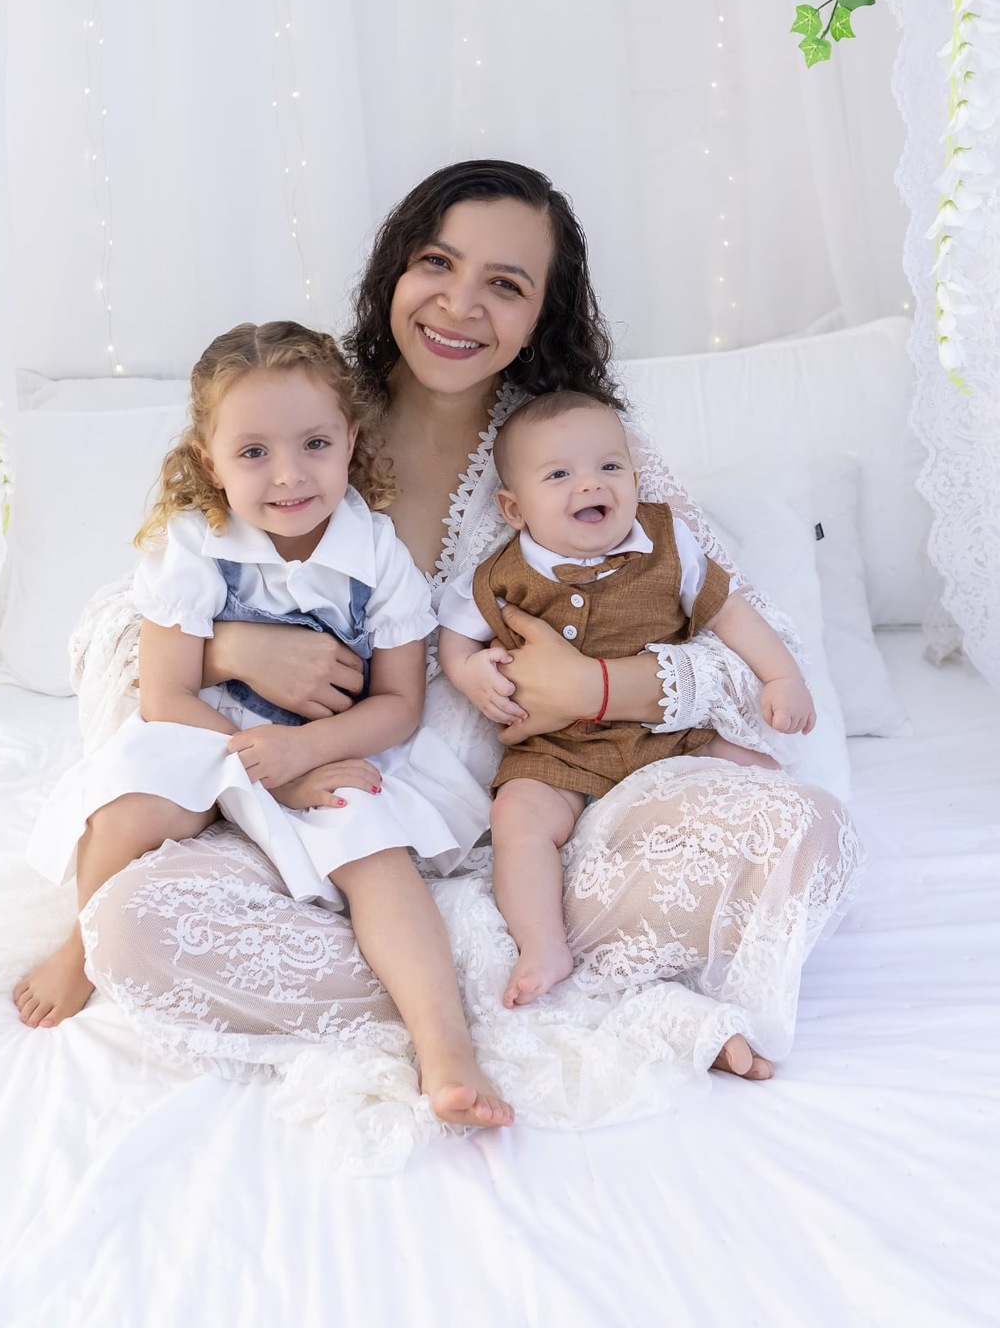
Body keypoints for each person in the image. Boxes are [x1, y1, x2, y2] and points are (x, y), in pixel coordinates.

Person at [76, 160, 861, 1106]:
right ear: (393, 273)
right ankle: (513, 1000)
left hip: (549, 822)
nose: (459, 305)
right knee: (130, 925)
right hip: (330, 804)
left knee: (795, 827)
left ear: (544, 314)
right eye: (436, 263)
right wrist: (236, 651)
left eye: (505, 284)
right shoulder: (310, 419)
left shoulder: (572, 446)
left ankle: (511, 973)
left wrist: (600, 690)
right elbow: (119, 627)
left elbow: (753, 643)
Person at [16, 321, 509, 1129]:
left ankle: (443, 1042)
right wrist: (261, 766)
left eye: (314, 442)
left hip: (332, 741)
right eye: (253, 453)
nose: (288, 475)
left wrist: (310, 756)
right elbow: (166, 697)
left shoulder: (378, 556)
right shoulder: (194, 544)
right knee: (128, 802)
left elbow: (399, 704)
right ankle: (82, 946)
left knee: (375, 855)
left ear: (351, 439)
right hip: (209, 734)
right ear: (210, 461)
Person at [436, 389, 816, 1009]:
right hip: (557, 749)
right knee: (517, 819)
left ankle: (779, 910)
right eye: (558, 475)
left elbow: (732, 615)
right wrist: (470, 671)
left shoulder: (668, 543)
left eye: (609, 467)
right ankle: (543, 943)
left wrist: (782, 679)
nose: (589, 484)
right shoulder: (502, 574)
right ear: (513, 507)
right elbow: (456, 634)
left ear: (635, 479)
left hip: (666, 736)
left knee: (773, 787)